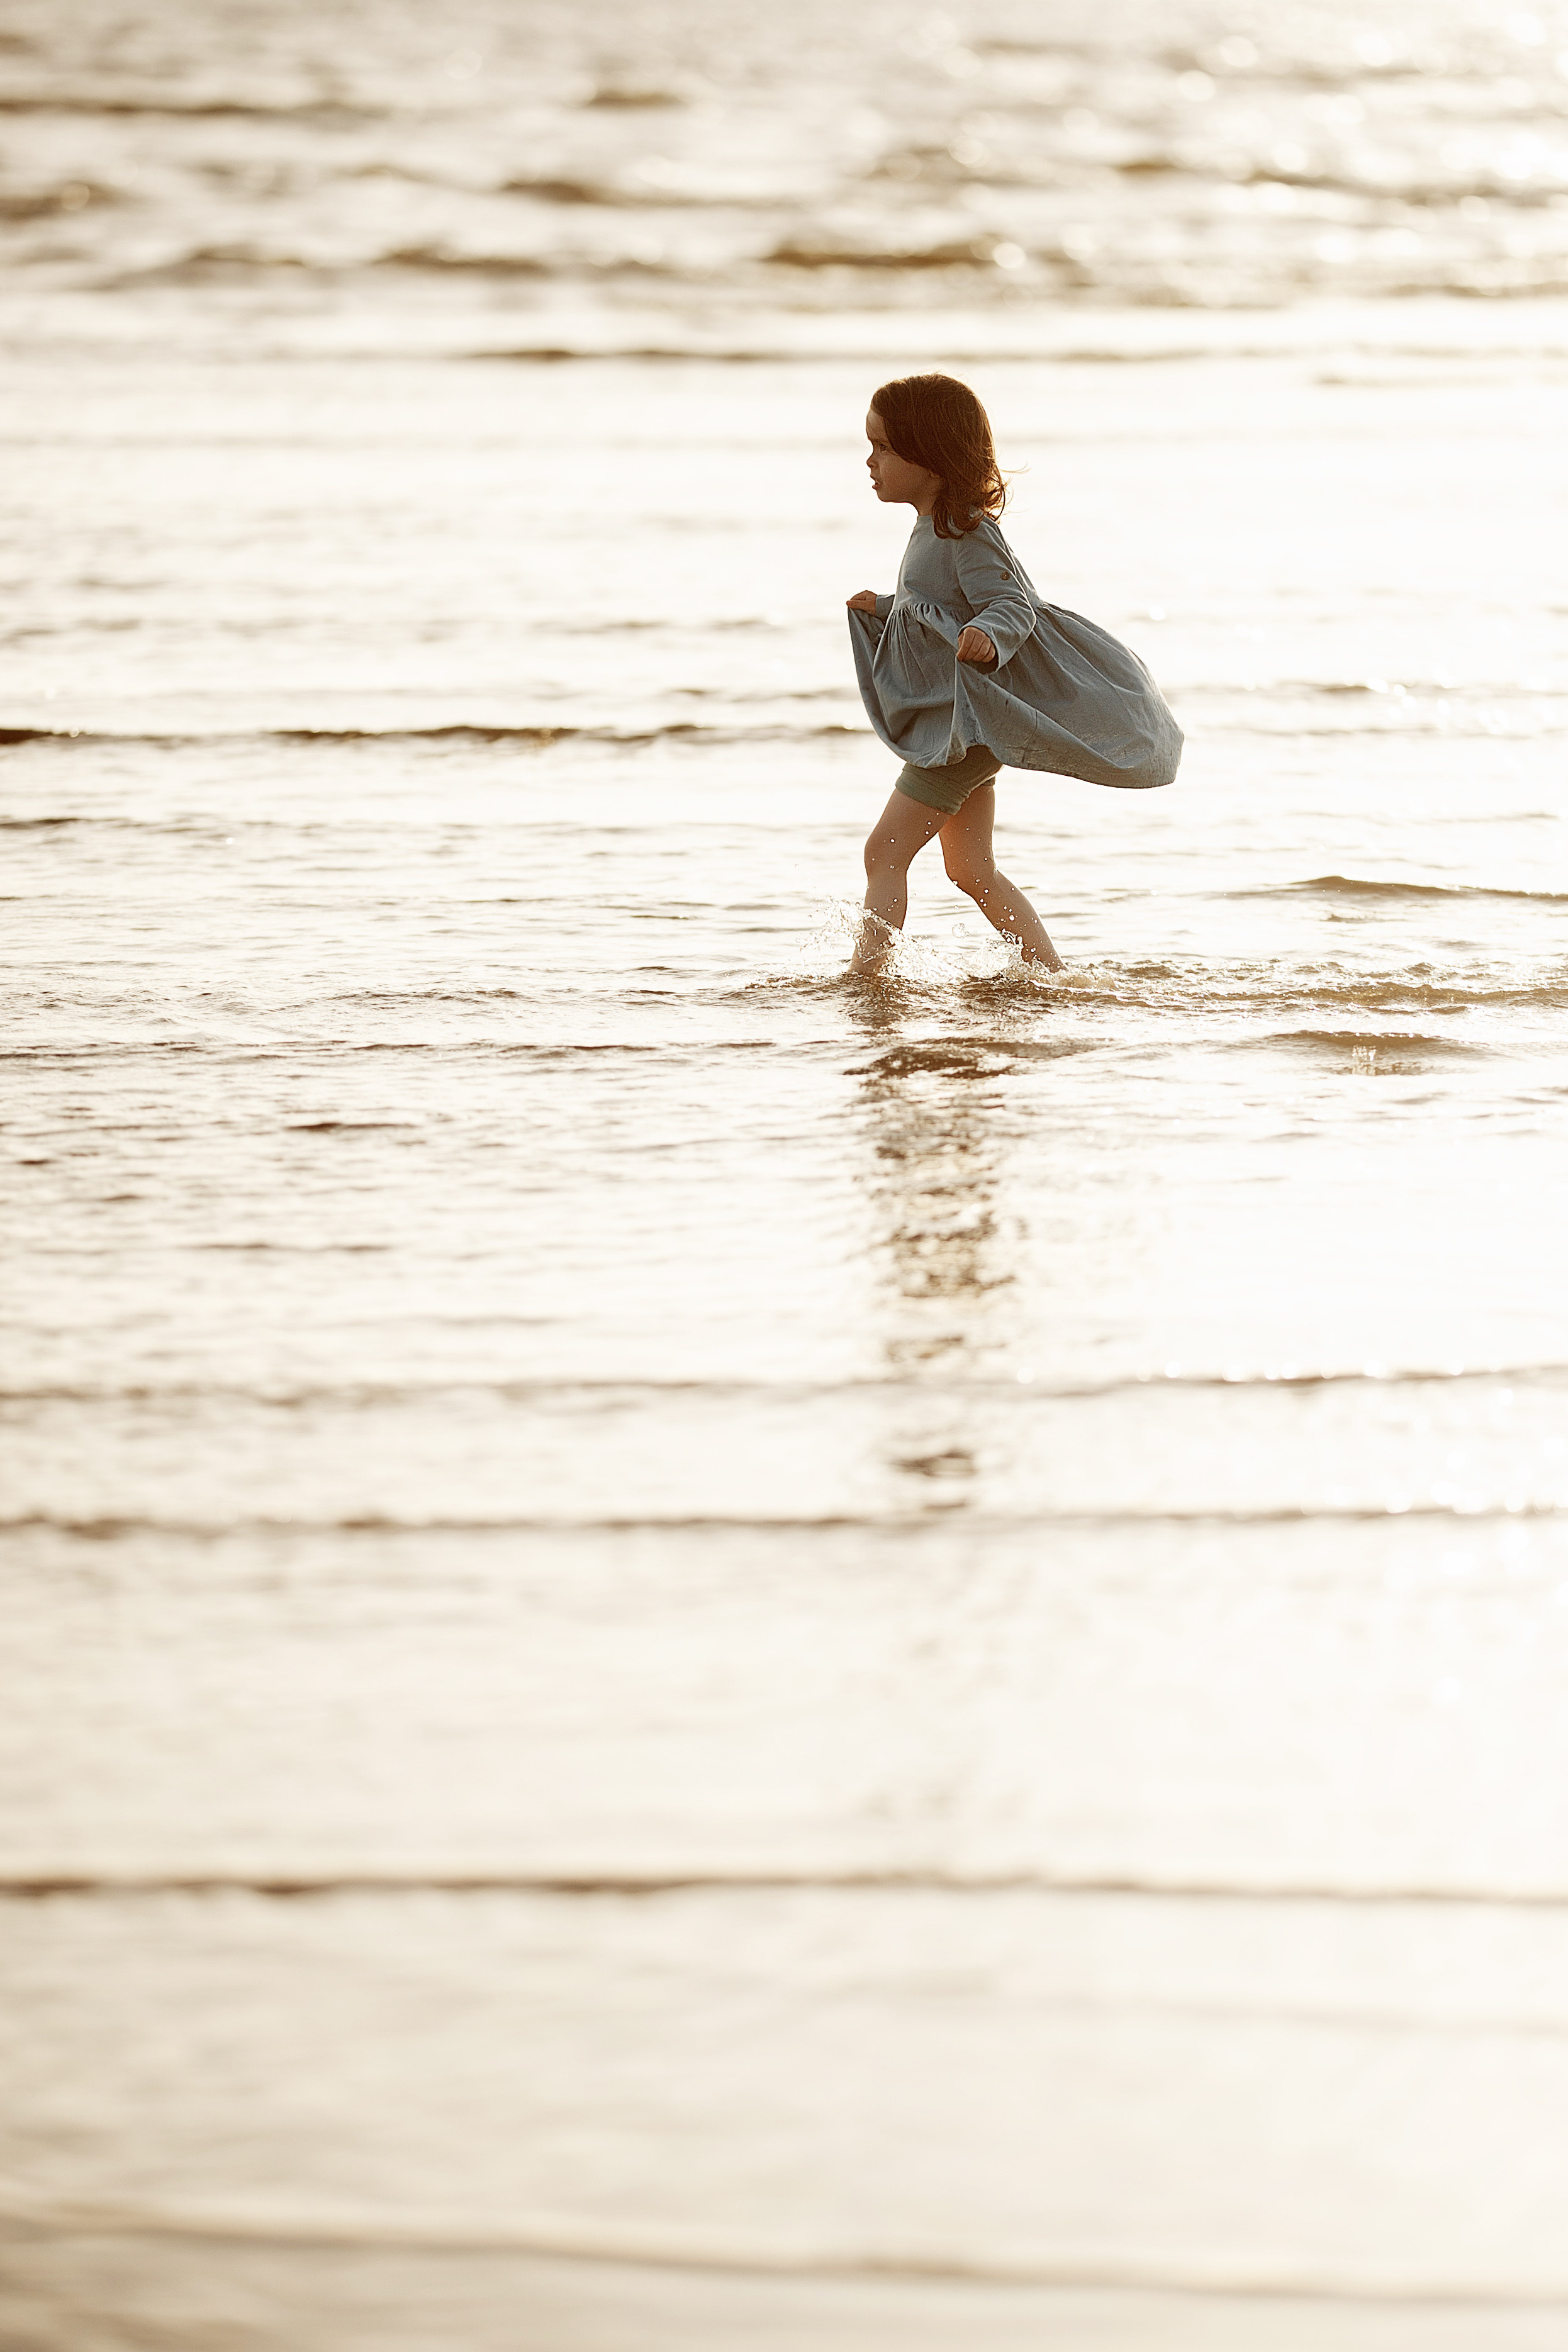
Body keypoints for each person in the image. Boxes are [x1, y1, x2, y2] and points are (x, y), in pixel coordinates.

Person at [846, 374, 1182, 975]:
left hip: (963, 734)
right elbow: (941, 611)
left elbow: (1012, 605)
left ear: (930, 455)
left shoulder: (966, 530)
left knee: (884, 853)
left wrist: (989, 636)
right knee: (970, 869)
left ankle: (868, 978)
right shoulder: (935, 526)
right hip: (969, 728)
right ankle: (1049, 973)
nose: (869, 462)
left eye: (883, 448)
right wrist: (886, 607)